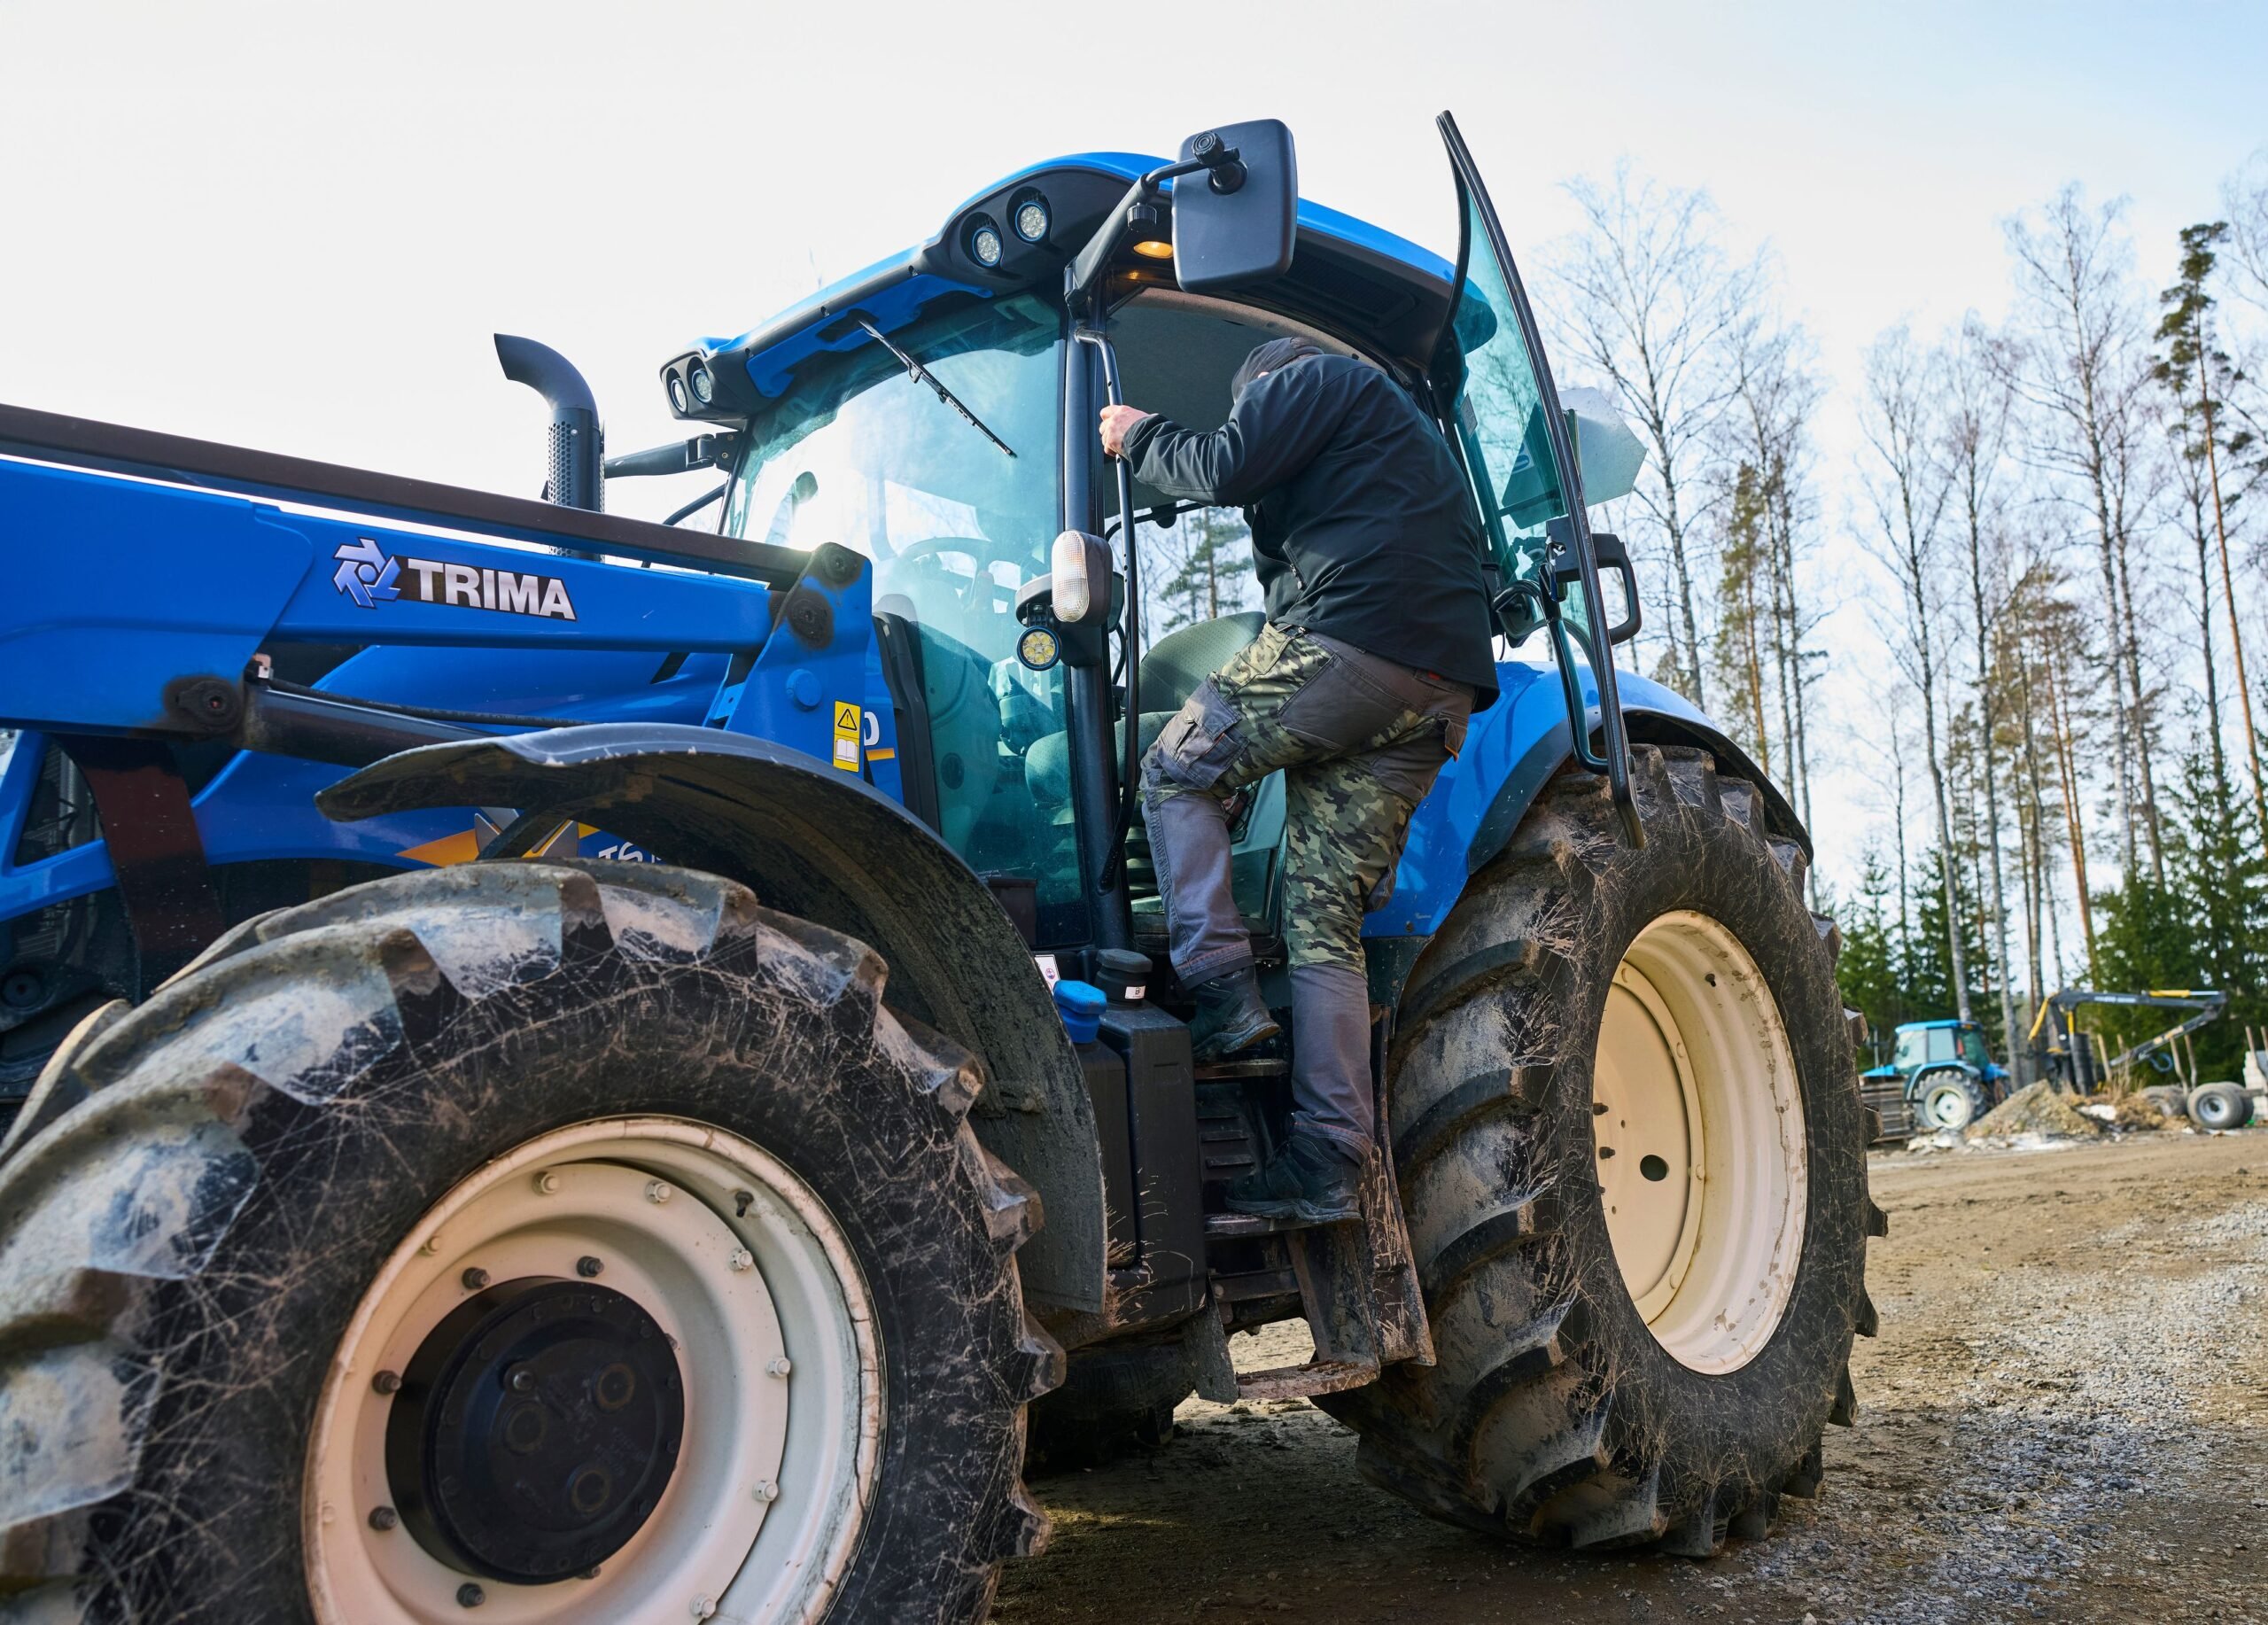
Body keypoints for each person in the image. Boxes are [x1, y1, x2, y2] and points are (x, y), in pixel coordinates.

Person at [1099, 335, 1496, 1224]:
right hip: (1434, 692)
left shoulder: (1312, 377)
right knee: (1322, 918)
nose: (1248, 416)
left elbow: (1225, 463)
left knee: (1173, 766)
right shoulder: (1391, 454)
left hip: (1353, 642)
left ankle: (1220, 994)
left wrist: (1136, 433)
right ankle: (1325, 1157)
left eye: (1250, 404)